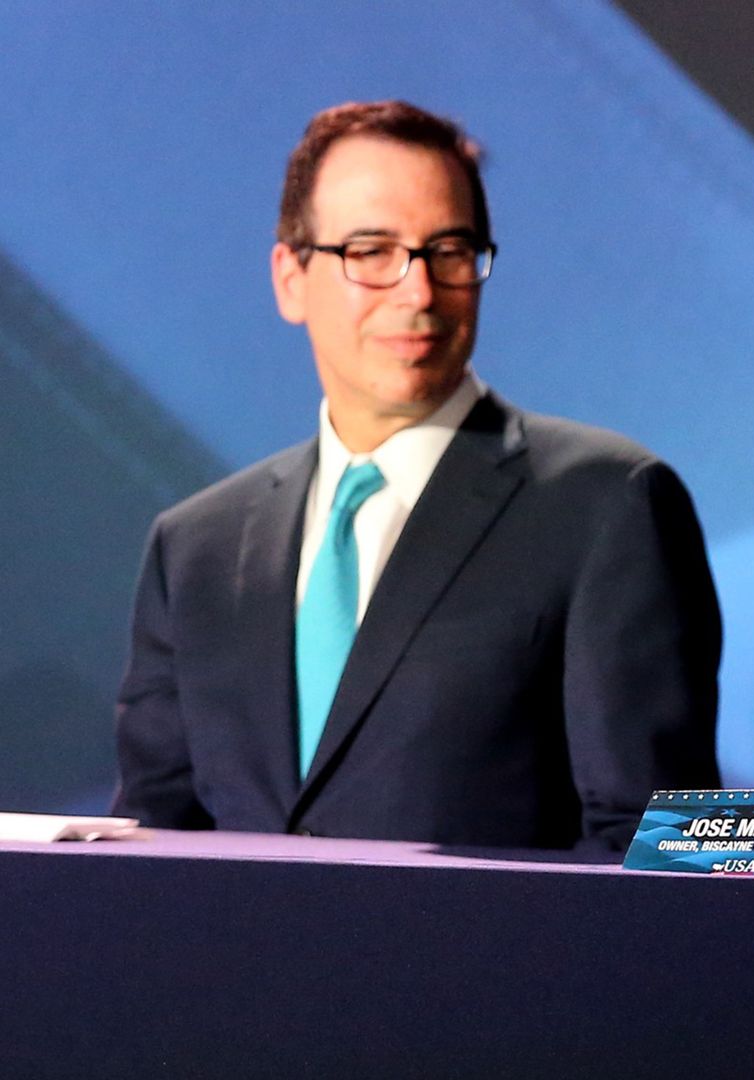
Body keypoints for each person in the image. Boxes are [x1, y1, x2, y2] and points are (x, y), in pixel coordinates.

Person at [112, 100, 721, 852]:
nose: (419, 292)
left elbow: (654, 841)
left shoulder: (606, 503)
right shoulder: (195, 548)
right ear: (290, 277)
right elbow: (148, 845)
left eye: (451, 251)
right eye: (371, 251)